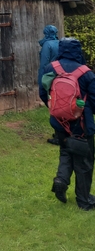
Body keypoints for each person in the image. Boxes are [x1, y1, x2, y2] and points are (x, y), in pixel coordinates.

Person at [39, 37, 95, 211]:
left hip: (59, 122)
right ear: (78, 50)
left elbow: (43, 92)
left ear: (61, 49)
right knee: (84, 161)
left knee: (66, 152)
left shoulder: (51, 68)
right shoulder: (86, 72)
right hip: (82, 124)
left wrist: (55, 108)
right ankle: (84, 201)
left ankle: (61, 181)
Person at [38, 25, 60, 145]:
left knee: (53, 105)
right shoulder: (60, 42)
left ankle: (58, 135)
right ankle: (60, 131)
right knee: (60, 103)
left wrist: (41, 80)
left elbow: (44, 65)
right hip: (61, 77)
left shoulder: (47, 45)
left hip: (50, 77)